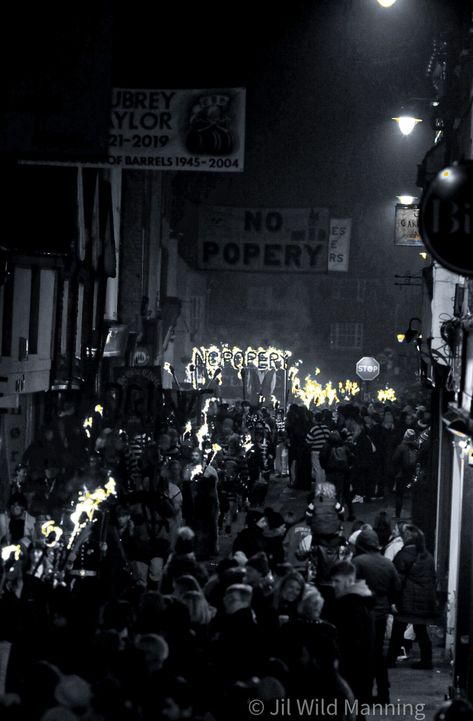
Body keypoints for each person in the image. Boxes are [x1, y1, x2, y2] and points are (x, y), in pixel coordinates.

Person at [352, 528, 401, 703]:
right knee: (378, 652)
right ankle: (383, 693)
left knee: (361, 653)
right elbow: (396, 586)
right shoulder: (387, 563)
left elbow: (350, 586)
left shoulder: (358, 562)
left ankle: (363, 693)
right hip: (381, 612)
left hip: (361, 612)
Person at [387, 525, 438, 670]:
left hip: (407, 600)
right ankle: (427, 661)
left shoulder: (403, 555)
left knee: (397, 631)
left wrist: (393, 600)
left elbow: (397, 581)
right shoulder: (427, 556)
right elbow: (432, 579)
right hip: (423, 601)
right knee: (421, 632)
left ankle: (391, 659)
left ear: (407, 538)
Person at [329, 560, 376, 704]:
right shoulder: (363, 601)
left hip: (351, 673)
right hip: (363, 673)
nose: (333, 585)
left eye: (337, 581)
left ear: (349, 580)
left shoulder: (349, 606)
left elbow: (349, 644)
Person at [392, 429, 418, 518]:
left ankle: (397, 514)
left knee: (399, 495)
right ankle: (413, 514)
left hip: (401, 474)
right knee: (412, 495)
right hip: (412, 475)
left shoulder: (401, 447)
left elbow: (395, 460)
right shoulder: (416, 447)